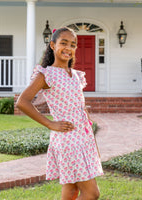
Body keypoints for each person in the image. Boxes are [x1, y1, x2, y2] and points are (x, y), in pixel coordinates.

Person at [17, 27, 104, 200]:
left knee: (71, 191)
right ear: (52, 45)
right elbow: (22, 102)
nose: (68, 48)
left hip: (83, 137)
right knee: (92, 193)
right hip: (68, 139)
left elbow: (81, 109)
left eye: (73, 44)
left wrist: (93, 143)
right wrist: (50, 123)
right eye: (63, 43)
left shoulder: (75, 75)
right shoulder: (46, 74)